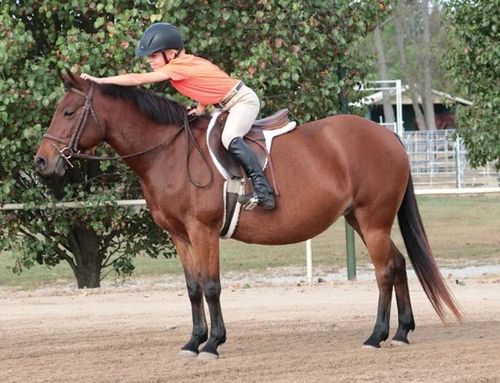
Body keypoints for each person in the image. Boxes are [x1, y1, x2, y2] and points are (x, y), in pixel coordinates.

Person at [80, 22, 275, 210]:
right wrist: (200, 108)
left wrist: (99, 80)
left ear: (171, 53)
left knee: (229, 138)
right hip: (226, 104)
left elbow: (136, 79)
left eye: (154, 55)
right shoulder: (188, 62)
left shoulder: (177, 67)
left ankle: (263, 190)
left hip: (242, 102)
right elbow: (209, 84)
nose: (149, 60)